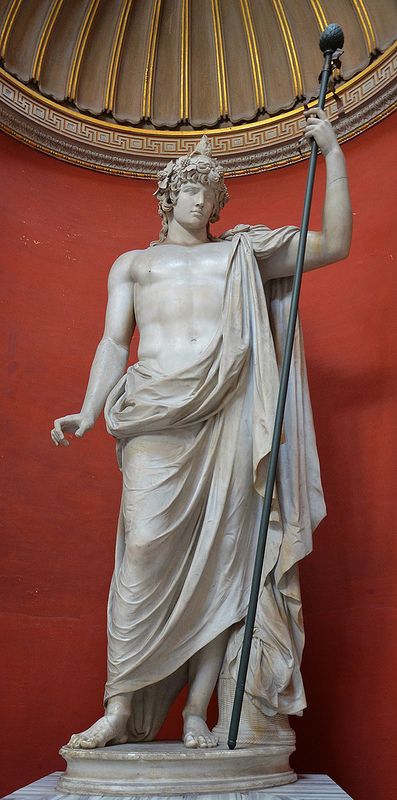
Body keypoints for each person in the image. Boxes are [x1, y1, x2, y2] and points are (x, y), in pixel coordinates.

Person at [51, 109, 352, 750]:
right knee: (140, 556)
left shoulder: (240, 253)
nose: (201, 200)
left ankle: (197, 712)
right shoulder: (133, 265)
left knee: (223, 563)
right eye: (191, 188)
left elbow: (334, 245)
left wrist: (333, 155)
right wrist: (85, 409)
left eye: (211, 192)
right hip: (154, 417)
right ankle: (120, 705)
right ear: (168, 195)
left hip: (227, 416)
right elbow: (113, 342)